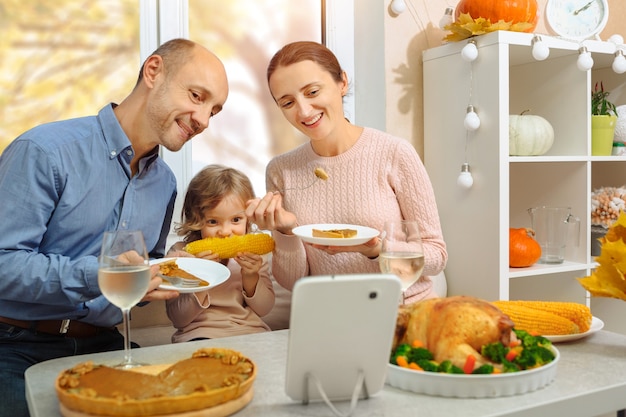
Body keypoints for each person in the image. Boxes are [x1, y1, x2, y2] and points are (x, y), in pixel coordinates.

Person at [0, 38, 229, 417]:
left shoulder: (166, 184)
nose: (203, 120)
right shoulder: (44, 151)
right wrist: (104, 274)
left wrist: (161, 275)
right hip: (14, 345)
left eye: (213, 110)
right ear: (153, 71)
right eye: (196, 95)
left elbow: (141, 273)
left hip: (104, 344)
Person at [246, 41, 447, 304]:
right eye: (287, 102)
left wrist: (377, 250)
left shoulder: (394, 153)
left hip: (405, 311)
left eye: (313, 91)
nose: (304, 111)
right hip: (331, 316)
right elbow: (292, 281)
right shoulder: (281, 170)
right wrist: (285, 232)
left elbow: (436, 256)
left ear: (342, 82)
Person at [164, 164, 275, 341]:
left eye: (236, 220)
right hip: (200, 334)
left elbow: (265, 309)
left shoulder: (255, 257)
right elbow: (179, 318)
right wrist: (201, 277)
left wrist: (251, 277)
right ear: (196, 220)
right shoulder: (180, 255)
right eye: (213, 221)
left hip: (250, 332)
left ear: (248, 219)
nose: (225, 231)